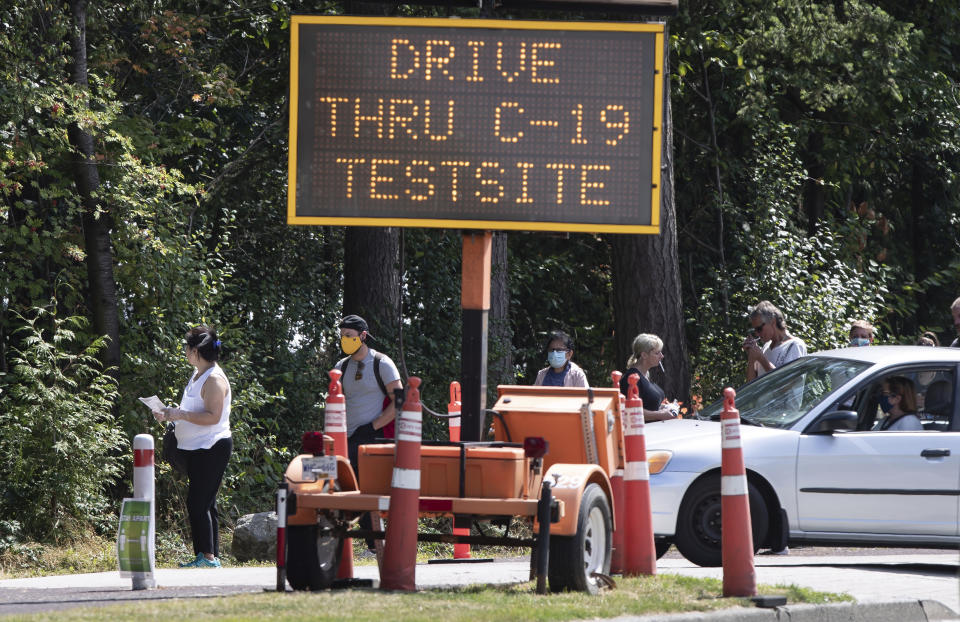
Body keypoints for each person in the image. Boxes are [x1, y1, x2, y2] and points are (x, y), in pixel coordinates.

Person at [152, 326, 232, 568]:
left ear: (196, 351)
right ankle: (209, 556)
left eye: (187, 348)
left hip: (212, 447)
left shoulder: (214, 379)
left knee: (198, 502)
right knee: (206, 503)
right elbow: (191, 410)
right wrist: (169, 414)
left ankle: (207, 557)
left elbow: (213, 417)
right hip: (197, 448)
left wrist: (181, 414)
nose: (185, 352)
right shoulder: (198, 374)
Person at [337, 315, 403, 476]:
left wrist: (371, 428)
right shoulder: (341, 367)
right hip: (345, 439)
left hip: (373, 440)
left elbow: (400, 401)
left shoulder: (382, 363)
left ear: (363, 336)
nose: (344, 340)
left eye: (348, 336)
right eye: (341, 336)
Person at [618, 333, 677, 422]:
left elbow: (648, 404)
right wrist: (660, 415)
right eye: (657, 353)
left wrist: (665, 407)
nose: (662, 356)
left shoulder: (646, 375)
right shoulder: (631, 379)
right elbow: (630, 410)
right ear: (644, 355)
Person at [743, 301, 808, 381]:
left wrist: (761, 358)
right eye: (755, 330)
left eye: (759, 329)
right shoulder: (766, 347)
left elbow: (787, 385)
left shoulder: (795, 345)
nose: (756, 334)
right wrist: (752, 356)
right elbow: (751, 384)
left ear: (773, 321)